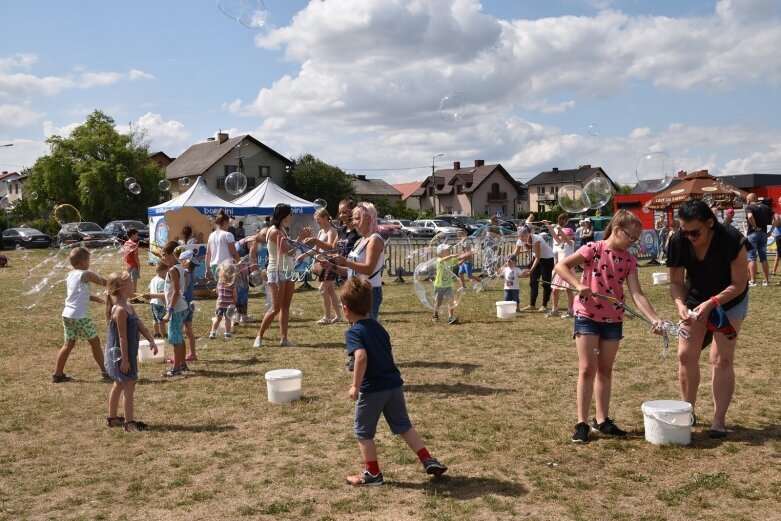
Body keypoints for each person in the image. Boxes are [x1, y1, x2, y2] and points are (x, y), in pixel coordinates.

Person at [554, 210, 664, 444]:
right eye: (631, 237)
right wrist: (577, 284)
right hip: (587, 315)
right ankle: (581, 423)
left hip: (613, 319)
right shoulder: (593, 248)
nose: (633, 243)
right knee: (587, 369)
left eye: (636, 239)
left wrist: (655, 318)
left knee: (605, 370)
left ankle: (602, 420)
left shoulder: (629, 260)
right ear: (617, 230)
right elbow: (561, 266)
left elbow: (637, 293)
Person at [339, 277, 447, 486]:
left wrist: (355, 386)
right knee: (404, 426)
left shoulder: (353, 332)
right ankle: (427, 459)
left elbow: (360, 357)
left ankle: (372, 474)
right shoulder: (379, 328)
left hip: (373, 390)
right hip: (394, 385)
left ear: (346, 309)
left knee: (363, 432)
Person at [667, 199, 750, 438]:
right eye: (685, 231)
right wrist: (680, 304)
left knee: (721, 357)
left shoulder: (732, 239)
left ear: (710, 224)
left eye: (695, 232)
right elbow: (675, 282)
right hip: (694, 298)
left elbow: (739, 283)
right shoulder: (679, 240)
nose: (690, 237)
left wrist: (713, 303)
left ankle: (718, 420)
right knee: (685, 354)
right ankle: (688, 412)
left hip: (730, 299)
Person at [103, 271, 158, 432]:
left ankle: (113, 419)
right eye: (131, 282)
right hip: (122, 355)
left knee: (119, 383)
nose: (134, 284)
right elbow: (122, 338)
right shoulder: (119, 310)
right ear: (123, 287)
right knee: (128, 385)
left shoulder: (129, 307)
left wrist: (151, 340)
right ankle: (129, 422)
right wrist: (125, 360)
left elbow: (140, 325)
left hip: (127, 353)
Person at [253, 204, 310, 348]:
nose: (291, 216)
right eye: (290, 214)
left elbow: (289, 252)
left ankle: (284, 339)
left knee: (286, 306)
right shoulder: (274, 232)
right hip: (277, 271)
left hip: (287, 270)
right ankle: (259, 336)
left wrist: (299, 239)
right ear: (284, 215)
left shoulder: (282, 230)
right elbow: (288, 251)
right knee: (275, 308)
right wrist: (300, 238)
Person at [53, 247, 108, 383]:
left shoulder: (71, 275)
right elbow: (104, 282)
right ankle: (106, 372)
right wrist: (118, 282)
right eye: (88, 259)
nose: (90, 262)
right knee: (95, 342)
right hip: (80, 317)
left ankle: (57, 374)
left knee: (68, 344)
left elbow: (82, 295)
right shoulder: (86, 274)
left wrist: (101, 300)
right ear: (83, 262)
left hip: (67, 315)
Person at [302, 208, 343, 325]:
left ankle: (327, 317)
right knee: (331, 291)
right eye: (316, 220)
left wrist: (317, 246)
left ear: (325, 218)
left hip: (330, 263)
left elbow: (330, 247)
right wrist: (303, 256)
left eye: (318, 220)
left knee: (322, 289)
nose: (317, 222)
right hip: (323, 264)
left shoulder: (332, 231)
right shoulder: (320, 232)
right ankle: (338, 316)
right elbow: (316, 249)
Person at [160, 241, 190, 377]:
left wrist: (169, 311)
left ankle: (176, 368)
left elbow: (176, 292)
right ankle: (182, 364)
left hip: (176, 309)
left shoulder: (172, 270)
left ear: (173, 254)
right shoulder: (179, 267)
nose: (162, 258)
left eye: (164, 255)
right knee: (179, 338)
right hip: (181, 307)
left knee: (175, 339)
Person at [514, 226, 555, 312]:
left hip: (547, 259)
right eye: (519, 236)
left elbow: (538, 258)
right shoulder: (520, 240)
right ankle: (532, 304)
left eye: (522, 236)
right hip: (537, 258)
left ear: (528, 234)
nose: (521, 238)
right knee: (533, 281)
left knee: (546, 282)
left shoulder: (537, 239)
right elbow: (516, 252)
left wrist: (531, 270)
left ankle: (544, 305)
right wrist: (509, 258)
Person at [744, 193, 773, 286]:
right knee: (763, 257)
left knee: (751, 258)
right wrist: (771, 231)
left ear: (750, 199)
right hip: (764, 234)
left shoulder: (749, 207)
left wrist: (755, 227)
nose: (746, 201)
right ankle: (766, 281)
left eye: (747, 199)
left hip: (753, 234)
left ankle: (753, 281)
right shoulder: (766, 207)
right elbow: (776, 218)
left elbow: (750, 217)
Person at [548, 225, 576, 319]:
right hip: (560, 270)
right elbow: (555, 236)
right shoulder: (560, 244)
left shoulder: (571, 243)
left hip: (568, 270)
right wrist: (548, 225)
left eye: (564, 235)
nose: (561, 237)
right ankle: (555, 309)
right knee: (555, 290)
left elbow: (564, 237)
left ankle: (570, 310)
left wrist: (560, 229)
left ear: (571, 236)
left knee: (569, 290)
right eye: (560, 236)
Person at [205, 210, 240, 282]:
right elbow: (234, 254)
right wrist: (240, 266)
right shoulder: (228, 235)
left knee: (220, 289)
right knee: (229, 290)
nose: (229, 225)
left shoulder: (211, 235)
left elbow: (208, 254)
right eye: (228, 223)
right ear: (225, 222)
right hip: (226, 266)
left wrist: (207, 269)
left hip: (214, 267)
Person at [431, 243, 460, 325]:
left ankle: (451, 317)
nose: (449, 251)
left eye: (449, 250)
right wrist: (452, 256)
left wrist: (468, 254)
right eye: (447, 250)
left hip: (448, 285)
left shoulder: (450, 260)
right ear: (441, 253)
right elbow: (442, 260)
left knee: (451, 301)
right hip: (439, 285)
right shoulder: (438, 260)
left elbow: (459, 259)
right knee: (438, 302)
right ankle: (435, 315)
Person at [179, 250, 200, 361]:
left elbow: (183, 289)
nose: (180, 262)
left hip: (183, 306)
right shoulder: (192, 273)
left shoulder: (185, 274)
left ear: (185, 262)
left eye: (181, 261)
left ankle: (179, 356)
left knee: (179, 331)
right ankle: (192, 354)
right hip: (190, 305)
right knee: (189, 330)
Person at [210, 261, 237, 340]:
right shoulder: (233, 283)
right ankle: (227, 334)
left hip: (220, 304)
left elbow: (217, 292)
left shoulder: (220, 282)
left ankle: (213, 332)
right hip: (229, 305)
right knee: (228, 319)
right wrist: (235, 302)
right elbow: (235, 295)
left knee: (217, 318)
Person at [144, 261, 168, 339]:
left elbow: (148, 289)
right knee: (161, 320)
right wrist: (165, 305)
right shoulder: (162, 281)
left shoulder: (153, 279)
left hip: (153, 302)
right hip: (160, 303)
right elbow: (162, 295)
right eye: (166, 271)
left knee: (155, 319)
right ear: (163, 271)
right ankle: (164, 334)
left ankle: (156, 333)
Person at [123, 227, 141, 294]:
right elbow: (136, 257)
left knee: (129, 282)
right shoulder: (134, 245)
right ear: (133, 235)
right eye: (136, 234)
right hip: (134, 266)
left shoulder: (125, 243)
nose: (137, 236)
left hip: (128, 265)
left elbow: (125, 256)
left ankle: (130, 296)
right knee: (134, 282)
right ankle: (134, 297)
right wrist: (139, 265)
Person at [772, 197, 781, 277]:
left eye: (780, 202)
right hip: (778, 236)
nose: (779, 204)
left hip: (779, 236)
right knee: (778, 254)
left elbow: (777, 223)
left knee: (778, 254)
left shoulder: (779, 215)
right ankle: (773, 271)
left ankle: (774, 272)